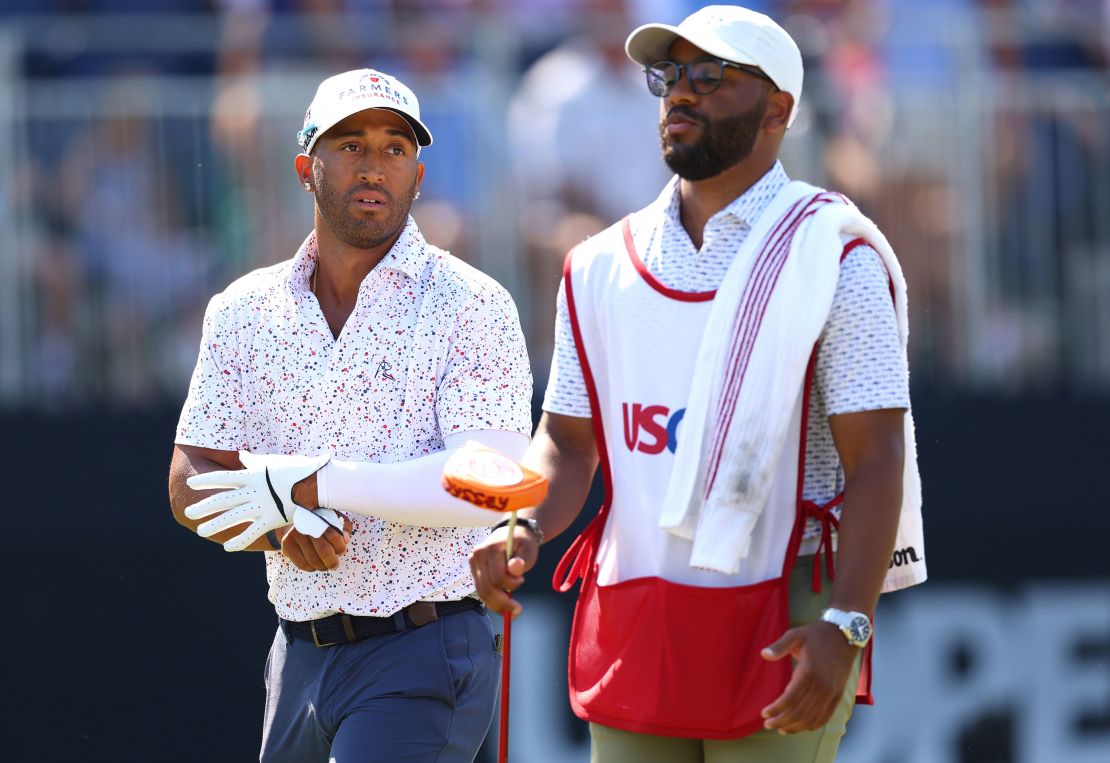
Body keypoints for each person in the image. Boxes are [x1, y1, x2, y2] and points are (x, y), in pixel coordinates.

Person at [468, 6, 926, 762]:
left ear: (779, 108)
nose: (680, 92)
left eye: (710, 76)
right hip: (637, 602)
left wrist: (847, 621)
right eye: (668, 74)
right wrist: (521, 522)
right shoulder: (598, 264)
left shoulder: (837, 254)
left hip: (787, 600)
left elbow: (877, 459)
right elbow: (568, 440)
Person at [168, 68, 533, 763]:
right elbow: (189, 480)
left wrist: (314, 483)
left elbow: (489, 485)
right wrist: (279, 525)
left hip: (427, 648)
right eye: (351, 145)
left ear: (418, 175)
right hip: (298, 651)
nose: (375, 167)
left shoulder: (472, 302)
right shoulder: (243, 310)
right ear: (308, 166)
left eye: (395, 149)